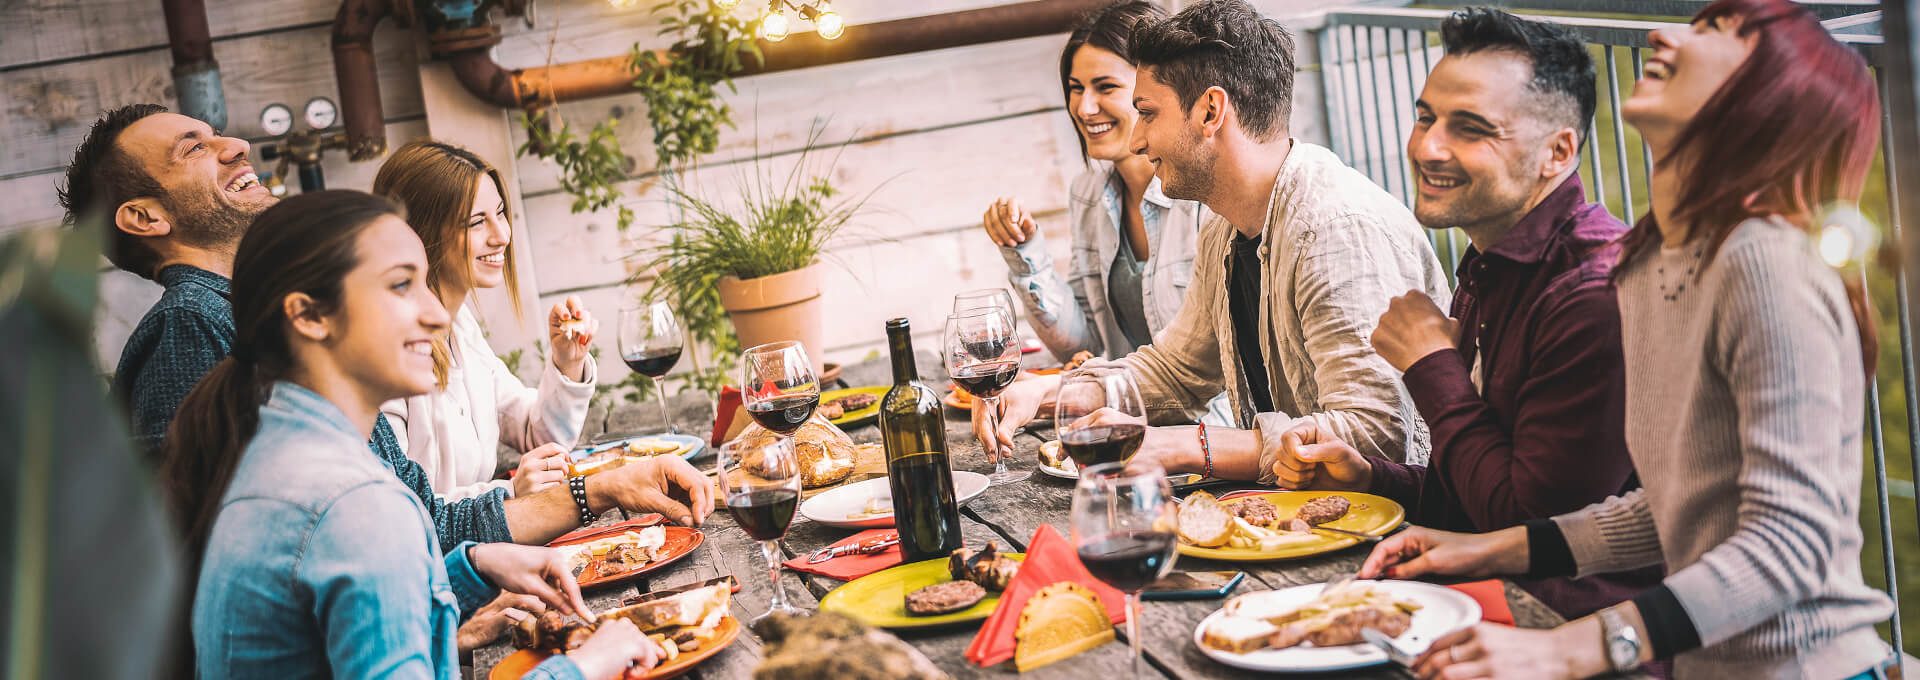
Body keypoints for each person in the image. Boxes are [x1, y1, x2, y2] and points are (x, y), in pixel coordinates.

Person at [1359, 1, 1895, 677]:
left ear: (1770, 94)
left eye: (1715, 31)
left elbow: (1792, 542)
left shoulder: (1766, 259)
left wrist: (1569, 647)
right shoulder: (1652, 262)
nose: (1660, 33)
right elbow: (1677, 506)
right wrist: (1491, 550)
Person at [58, 105, 712, 557]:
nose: (233, 145)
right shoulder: (189, 326)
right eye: (193, 147)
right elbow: (200, 567)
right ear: (144, 216)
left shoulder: (257, 315)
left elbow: (416, 520)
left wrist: (592, 492)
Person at [164, 191, 656, 679]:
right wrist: (584, 667)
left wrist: (472, 568)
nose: (439, 315)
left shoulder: (270, 451)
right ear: (310, 316)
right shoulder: (357, 504)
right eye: (401, 285)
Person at [1268, 8, 1656, 623]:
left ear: (1558, 152)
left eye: (1470, 128)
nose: (1427, 146)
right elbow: (1477, 496)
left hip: (1571, 629)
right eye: (1426, 117)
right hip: (1485, 595)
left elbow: (1526, 530)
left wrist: (1431, 366)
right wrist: (1371, 479)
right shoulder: (1491, 262)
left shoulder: (1592, 295)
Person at [977, 0, 1450, 472]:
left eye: (1147, 113)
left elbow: (1377, 438)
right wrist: (1048, 391)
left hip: (1396, 531)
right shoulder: (1225, 225)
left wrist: (1186, 447)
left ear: (1210, 111)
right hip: (1295, 513)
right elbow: (1178, 372)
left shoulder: (1336, 230)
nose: (1138, 141)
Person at [981, 1, 1208, 364]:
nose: (1084, 108)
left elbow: (1219, 371)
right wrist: (1025, 252)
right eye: (1075, 88)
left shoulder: (1204, 198)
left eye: (1105, 87)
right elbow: (1082, 345)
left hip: (1207, 421)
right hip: (1127, 410)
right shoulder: (1087, 193)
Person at [374, 140, 595, 501]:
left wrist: (568, 363)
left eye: (500, 213)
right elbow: (399, 506)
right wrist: (508, 492)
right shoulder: (384, 352)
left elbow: (534, 435)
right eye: (477, 222)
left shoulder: (461, 327)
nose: (502, 235)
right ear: (421, 233)